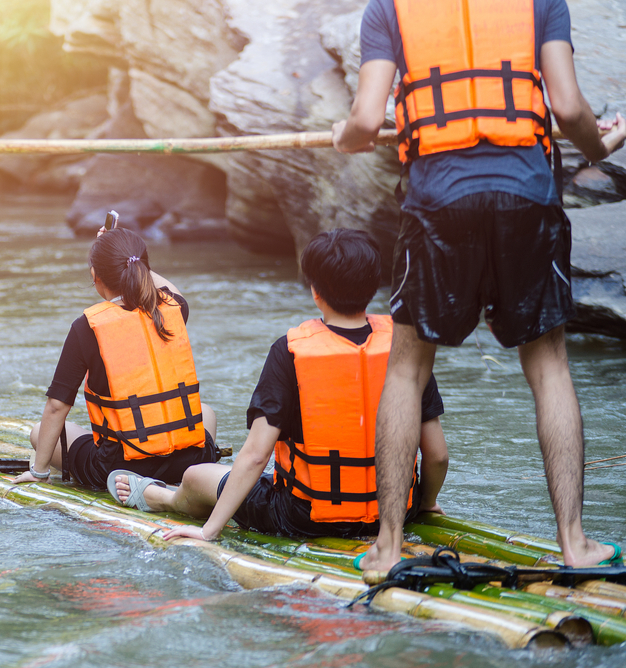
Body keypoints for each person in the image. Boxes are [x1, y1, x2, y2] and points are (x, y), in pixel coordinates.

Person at [331, 0, 626, 570]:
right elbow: (569, 109)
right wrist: (601, 147)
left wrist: (342, 137)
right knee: (549, 367)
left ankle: (387, 547)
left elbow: (366, 121)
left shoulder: (389, 5)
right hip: (526, 197)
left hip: (437, 202)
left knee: (407, 369)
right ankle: (575, 544)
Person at [112, 230, 449, 547]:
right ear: (375, 285)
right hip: (394, 513)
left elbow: (256, 455)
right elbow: (437, 455)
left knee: (196, 476)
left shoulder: (290, 353)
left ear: (315, 291)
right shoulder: (404, 349)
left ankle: (162, 497)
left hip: (302, 517)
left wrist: (209, 530)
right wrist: (425, 504)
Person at [11, 226, 220, 488]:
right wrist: (128, 256)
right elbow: (171, 290)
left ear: (95, 276)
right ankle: (192, 477)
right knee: (206, 412)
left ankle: (138, 483)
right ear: (143, 268)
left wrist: (40, 471)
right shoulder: (173, 309)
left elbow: (56, 406)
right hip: (187, 460)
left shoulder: (86, 328)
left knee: (38, 432)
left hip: (120, 469)